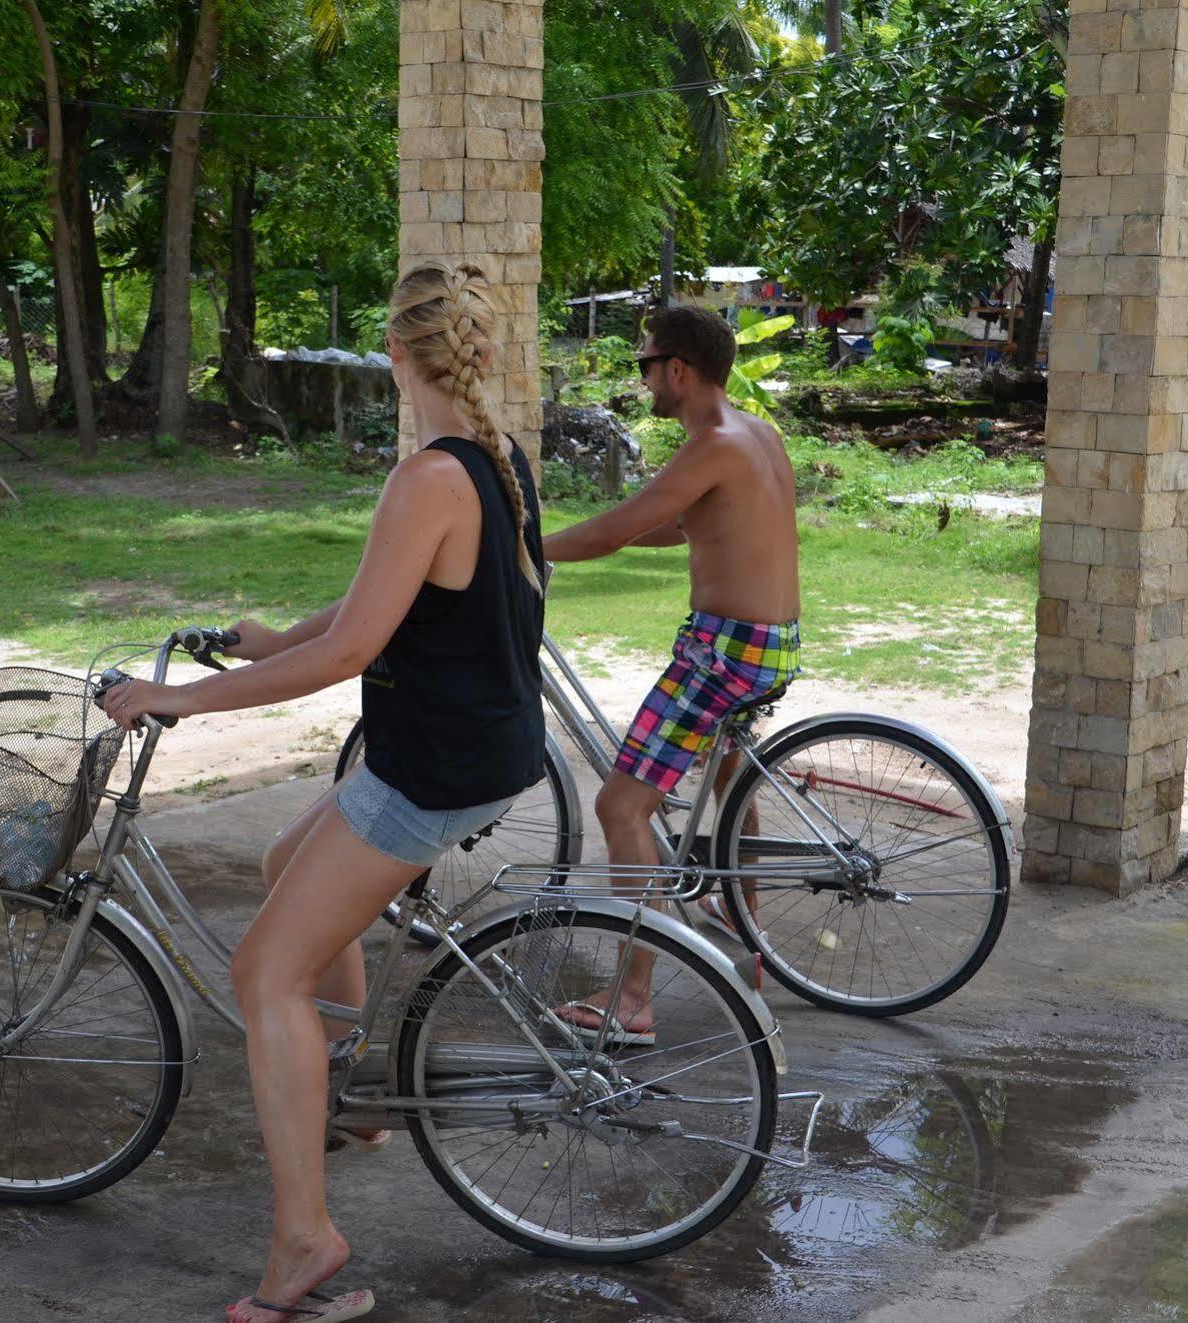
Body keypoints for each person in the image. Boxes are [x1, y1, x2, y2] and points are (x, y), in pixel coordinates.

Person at [99, 261, 545, 1323]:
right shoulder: (493, 460)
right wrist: (269, 640)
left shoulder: (428, 477)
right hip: (465, 751)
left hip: (426, 770)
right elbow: (372, 613)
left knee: (265, 973)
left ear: (395, 352)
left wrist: (178, 699)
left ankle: (304, 1241)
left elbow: (349, 652)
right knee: (280, 865)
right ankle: (340, 1089)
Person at [539, 304, 801, 1042]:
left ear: (676, 370)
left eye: (644, 363)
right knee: (727, 772)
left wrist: (524, 545)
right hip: (769, 642)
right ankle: (738, 917)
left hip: (724, 649)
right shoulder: (754, 433)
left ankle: (631, 999)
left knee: (621, 808)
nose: (643, 376)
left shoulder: (710, 443)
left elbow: (619, 524)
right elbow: (684, 522)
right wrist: (581, 540)